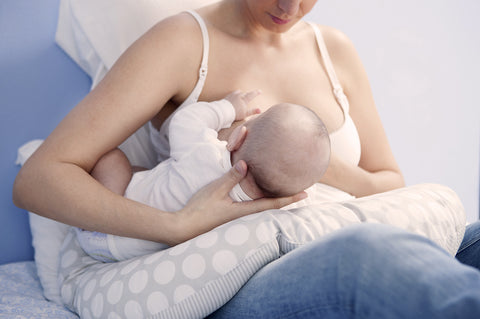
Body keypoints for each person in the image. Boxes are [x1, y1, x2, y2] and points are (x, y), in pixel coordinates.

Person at [12, 0, 480, 317]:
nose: (289, 8)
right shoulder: (184, 44)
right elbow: (39, 180)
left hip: (329, 226)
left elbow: (389, 182)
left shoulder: (333, 50)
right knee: (364, 257)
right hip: (241, 272)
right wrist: (176, 226)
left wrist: (304, 161)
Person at [76, 90, 331, 262]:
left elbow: (185, 120)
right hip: (136, 255)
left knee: (114, 159)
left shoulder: (204, 152)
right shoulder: (264, 212)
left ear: (239, 135)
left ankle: (90, 215)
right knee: (147, 174)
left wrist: (230, 108)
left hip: (105, 231)